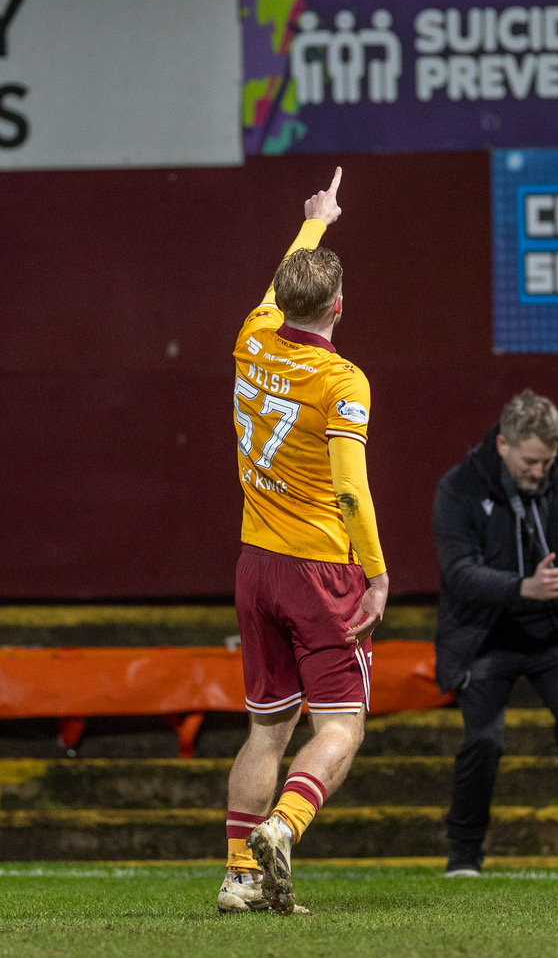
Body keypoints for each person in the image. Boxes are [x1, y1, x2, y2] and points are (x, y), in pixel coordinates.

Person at [221, 168, 389, 916]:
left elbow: (275, 284)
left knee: (266, 729)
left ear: (283, 300)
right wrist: (378, 576)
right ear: (340, 306)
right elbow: (351, 488)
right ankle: (283, 829)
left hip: (254, 563)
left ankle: (237, 876)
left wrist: (316, 221)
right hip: (321, 570)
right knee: (341, 727)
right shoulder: (341, 380)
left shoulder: (251, 336)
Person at [433, 389, 558, 878]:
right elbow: (459, 574)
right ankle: (465, 853)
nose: (540, 472)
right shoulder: (459, 488)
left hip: (556, 631)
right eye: (531, 461)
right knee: (485, 740)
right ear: (503, 446)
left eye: (547, 461)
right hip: (483, 634)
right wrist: (522, 587)